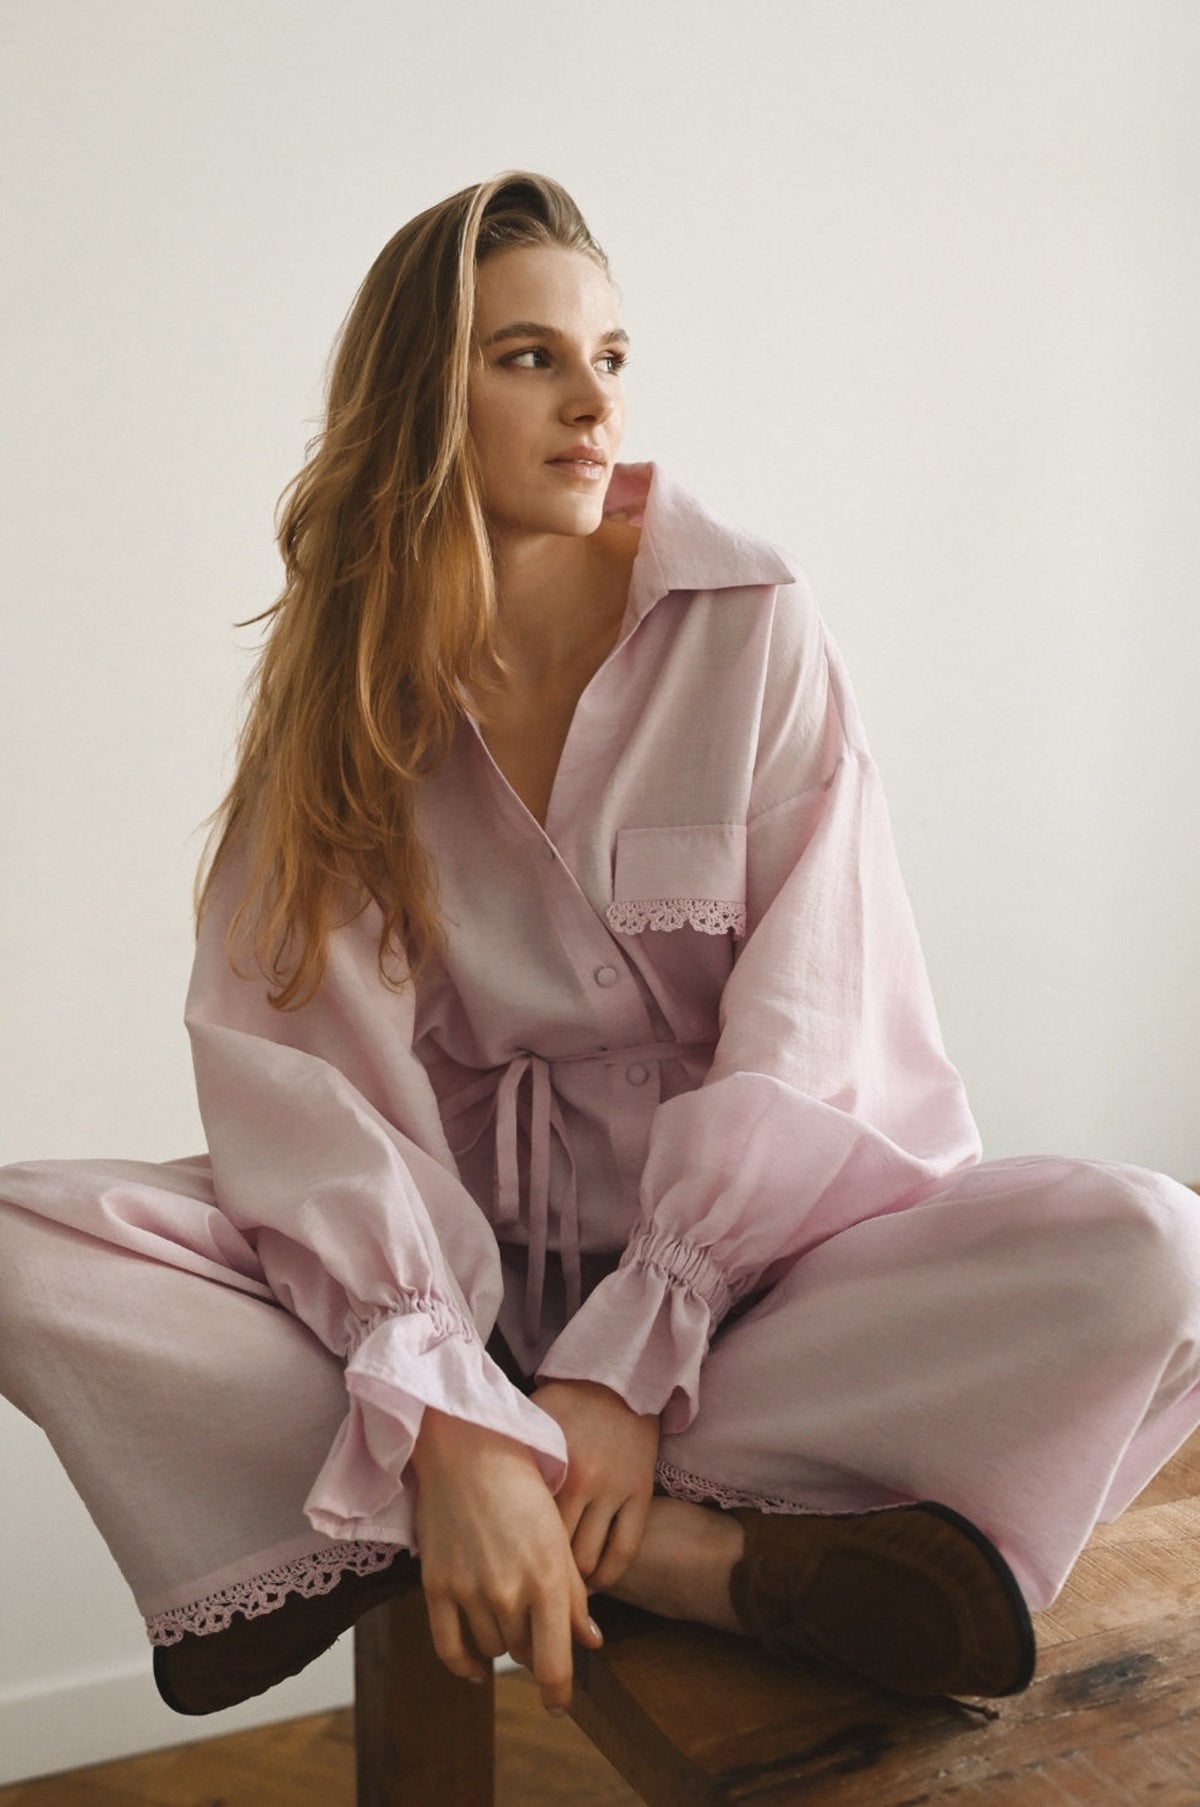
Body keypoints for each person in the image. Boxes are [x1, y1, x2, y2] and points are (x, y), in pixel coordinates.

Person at [2, 171, 1199, 1726]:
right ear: (422, 402)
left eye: (612, 357)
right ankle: (653, 1545)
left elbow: (821, 1034)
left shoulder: (748, 625)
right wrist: (450, 1406)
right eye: (530, 359)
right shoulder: (346, 694)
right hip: (447, 1307)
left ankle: (461, 1514)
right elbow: (307, 1090)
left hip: (743, 1312)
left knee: (1153, 1250)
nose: (594, 404)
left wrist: (636, 1354)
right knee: (27, 1243)